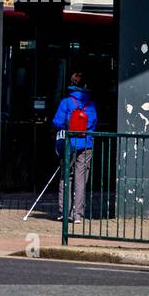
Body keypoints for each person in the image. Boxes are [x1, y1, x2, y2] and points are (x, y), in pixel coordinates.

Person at [53, 72, 97, 222]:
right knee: (80, 179)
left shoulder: (66, 102)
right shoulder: (91, 104)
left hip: (69, 144)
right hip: (86, 144)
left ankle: (63, 212)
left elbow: (57, 122)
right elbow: (93, 123)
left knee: (66, 177)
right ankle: (77, 214)